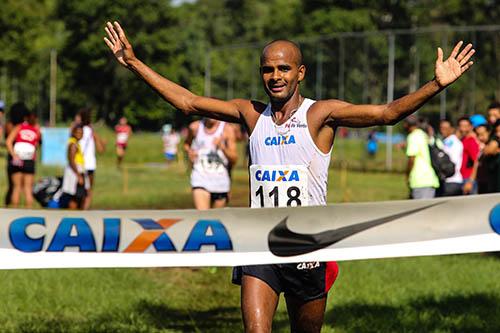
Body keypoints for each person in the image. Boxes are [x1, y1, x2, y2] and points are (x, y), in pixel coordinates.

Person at [104, 21, 474, 332]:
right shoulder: (251, 114)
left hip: (308, 245)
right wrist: (134, 63)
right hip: (259, 244)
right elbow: (187, 102)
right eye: (268, 69)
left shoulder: (321, 115)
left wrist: (436, 85)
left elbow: (387, 113)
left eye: (283, 69)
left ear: (300, 73)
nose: (275, 76)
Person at [183, 118, 237, 210]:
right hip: (200, 178)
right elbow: (186, 144)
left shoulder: (227, 129)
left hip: (221, 182)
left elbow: (234, 159)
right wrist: (190, 152)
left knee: (216, 220)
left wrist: (222, 147)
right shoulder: (195, 127)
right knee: (203, 217)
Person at [5, 108, 41, 208]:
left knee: (16, 188)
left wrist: (14, 155)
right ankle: (28, 214)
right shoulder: (36, 130)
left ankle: (14, 213)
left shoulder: (19, 127)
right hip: (29, 161)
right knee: (28, 189)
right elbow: (36, 145)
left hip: (18, 160)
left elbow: (8, 142)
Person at [404, 115, 439, 199]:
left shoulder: (413, 136)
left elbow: (412, 159)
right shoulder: (423, 135)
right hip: (430, 179)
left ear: (407, 124)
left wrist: (407, 175)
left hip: (420, 180)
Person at [78, 108, 105, 209]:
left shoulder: (76, 130)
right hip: (90, 164)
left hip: (79, 164)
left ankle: (80, 210)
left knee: (78, 191)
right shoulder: (91, 131)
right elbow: (101, 150)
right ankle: (85, 210)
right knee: (88, 191)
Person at [60, 125, 88, 209]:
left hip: (78, 170)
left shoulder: (75, 143)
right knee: (75, 197)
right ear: (73, 133)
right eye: (78, 132)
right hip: (76, 171)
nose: (80, 134)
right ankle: (73, 216)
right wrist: (78, 175)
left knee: (79, 196)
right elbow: (71, 160)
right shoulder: (73, 144)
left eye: (81, 133)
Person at [4, 102, 27, 206]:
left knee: (16, 186)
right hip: (18, 157)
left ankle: (12, 206)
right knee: (17, 186)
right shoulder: (16, 126)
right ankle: (11, 207)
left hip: (16, 157)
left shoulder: (10, 125)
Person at [438, 119, 463, 196]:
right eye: (441, 128)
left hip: (451, 181)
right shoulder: (447, 141)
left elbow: (450, 162)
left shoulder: (451, 142)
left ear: (452, 129)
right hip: (452, 181)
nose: (443, 131)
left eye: (445, 128)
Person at [457, 116, 480, 194]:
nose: (463, 129)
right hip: (462, 177)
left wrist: (471, 181)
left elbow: (476, 161)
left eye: (466, 126)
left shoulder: (471, 141)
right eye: (461, 126)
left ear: (471, 127)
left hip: (468, 178)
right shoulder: (463, 140)